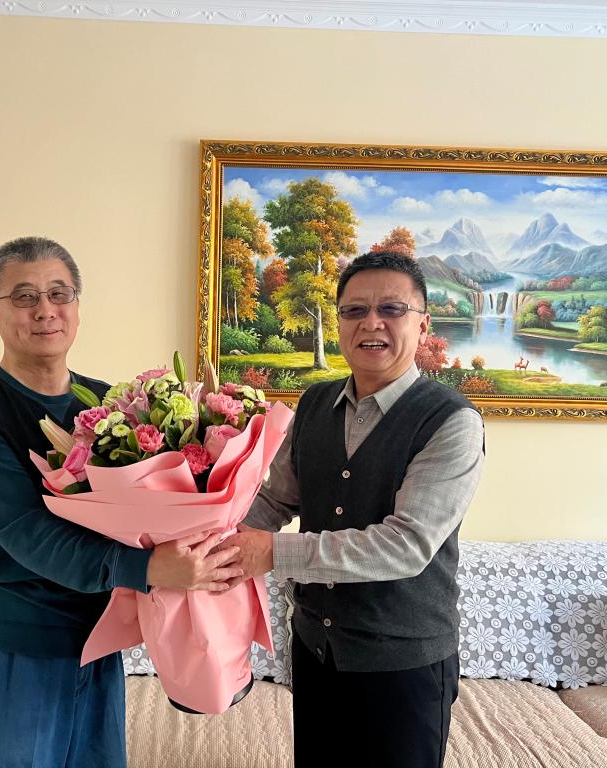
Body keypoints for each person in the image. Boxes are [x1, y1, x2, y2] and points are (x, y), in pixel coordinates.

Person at [0, 236, 242, 768]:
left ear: (76, 306)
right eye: (24, 297)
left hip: (97, 642)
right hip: (16, 644)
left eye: (60, 293)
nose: (45, 310)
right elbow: (25, 530)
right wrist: (150, 568)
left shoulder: (111, 407)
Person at [224, 251, 485, 768]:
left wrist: (271, 553)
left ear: (423, 324)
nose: (371, 323)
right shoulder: (313, 404)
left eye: (391, 309)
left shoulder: (451, 422)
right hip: (315, 649)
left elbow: (406, 545)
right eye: (354, 310)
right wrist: (211, 544)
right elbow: (277, 498)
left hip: (404, 664)